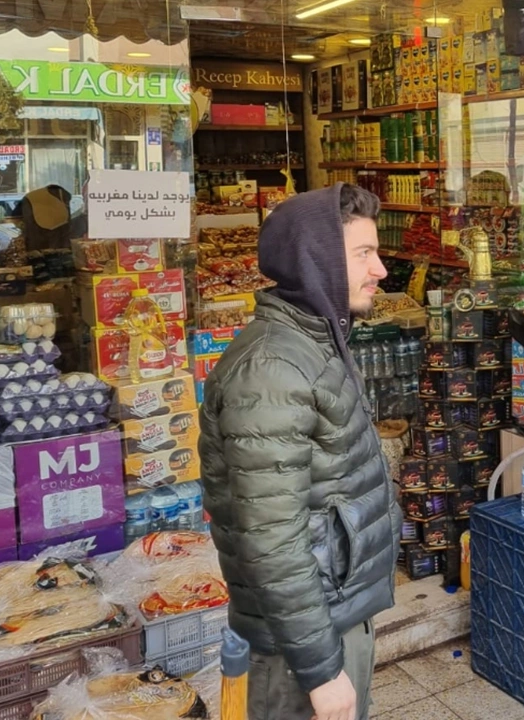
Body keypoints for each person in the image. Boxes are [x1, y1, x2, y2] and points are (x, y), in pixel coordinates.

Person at [199, 184, 401, 720]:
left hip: (332, 617)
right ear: (318, 262)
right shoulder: (272, 370)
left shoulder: (312, 344)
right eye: (364, 254)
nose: (380, 269)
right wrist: (321, 669)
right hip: (303, 648)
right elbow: (272, 543)